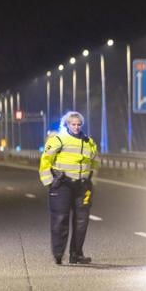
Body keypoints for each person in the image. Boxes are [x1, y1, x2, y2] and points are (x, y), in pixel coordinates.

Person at [39, 111, 100, 265]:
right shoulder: (58, 140)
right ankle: (58, 253)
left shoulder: (89, 142)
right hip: (62, 185)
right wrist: (49, 181)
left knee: (82, 220)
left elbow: (95, 161)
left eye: (79, 124)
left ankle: (76, 254)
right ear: (67, 124)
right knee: (60, 219)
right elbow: (46, 160)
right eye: (73, 124)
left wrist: (92, 179)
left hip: (82, 186)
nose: (76, 127)